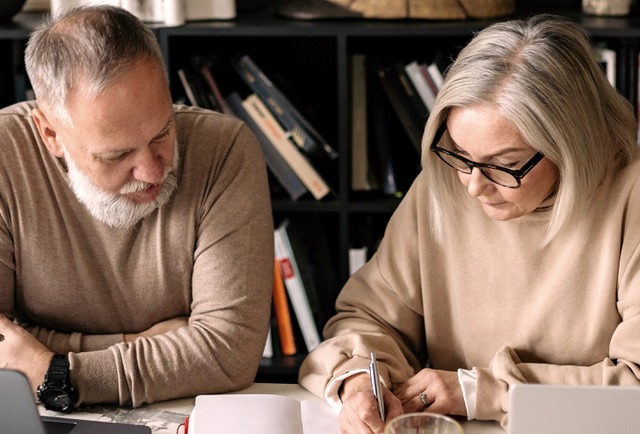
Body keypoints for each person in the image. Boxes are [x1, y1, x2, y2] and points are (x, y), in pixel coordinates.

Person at [299, 14, 640, 432]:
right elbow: (369, 318)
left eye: (506, 164)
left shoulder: (631, 199)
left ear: (572, 144)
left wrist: (484, 393)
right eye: (460, 153)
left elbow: (635, 387)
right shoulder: (444, 185)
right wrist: (358, 380)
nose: (474, 187)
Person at [0, 5, 274, 409]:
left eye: (163, 132)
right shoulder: (6, 154)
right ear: (50, 134)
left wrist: (51, 370)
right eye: (118, 154)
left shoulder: (225, 150)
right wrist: (140, 343)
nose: (151, 171)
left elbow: (228, 351)